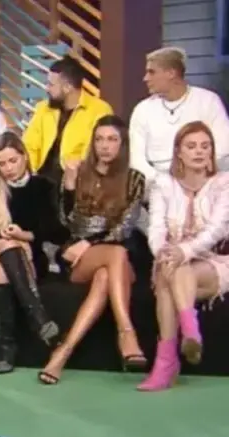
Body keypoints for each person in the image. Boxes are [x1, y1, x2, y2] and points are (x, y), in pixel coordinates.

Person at [39, 116, 148, 385]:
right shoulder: (79, 172)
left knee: (107, 272)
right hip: (78, 258)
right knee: (115, 256)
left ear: (123, 144)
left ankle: (63, 351)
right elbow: (66, 224)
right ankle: (127, 332)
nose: (104, 146)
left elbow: (124, 227)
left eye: (112, 139)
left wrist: (89, 242)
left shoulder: (135, 179)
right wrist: (70, 185)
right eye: (99, 139)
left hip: (117, 257)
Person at [142, 121, 229, 391]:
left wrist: (183, 251)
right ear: (178, 152)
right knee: (173, 270)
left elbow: (216, 230)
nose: (199, 151)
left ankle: (166, 361)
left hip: (216, 261)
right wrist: (163, 252)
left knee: (172, 273)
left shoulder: (224, 183)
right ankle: (190, 330)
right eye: (191, 146)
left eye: (205, 146)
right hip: (173, 262)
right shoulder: (163, 184)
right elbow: (156, 228)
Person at [0, 132, 61, 374]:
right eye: (1, 164)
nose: (8, 168)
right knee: (8, 247)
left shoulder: (43, 187)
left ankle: (6, 349)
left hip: (28, 258)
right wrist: (5, 235)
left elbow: (57, 232)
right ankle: (38, 318)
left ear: (24, 157)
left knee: (1, 271)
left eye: (13, 161)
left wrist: (25, 235)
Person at [130, 47, 229, 187]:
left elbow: (223, 148)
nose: (145, 78)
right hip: (157, 186)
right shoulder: (142, 109)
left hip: (203, 181)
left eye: (152, 72)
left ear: (171, 73)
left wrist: (192, 178)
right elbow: (136, 159)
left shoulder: (208, 101)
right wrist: (164, 184)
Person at [22, 56, 113, 185]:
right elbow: (29, 145)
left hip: (78, 181)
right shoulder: (43, 108)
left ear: (68, 87)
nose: (47, 88)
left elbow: (94, 153)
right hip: (42, 180)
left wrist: (74, 173)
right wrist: (27, 174)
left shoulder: (99, 111)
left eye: (51, 84)